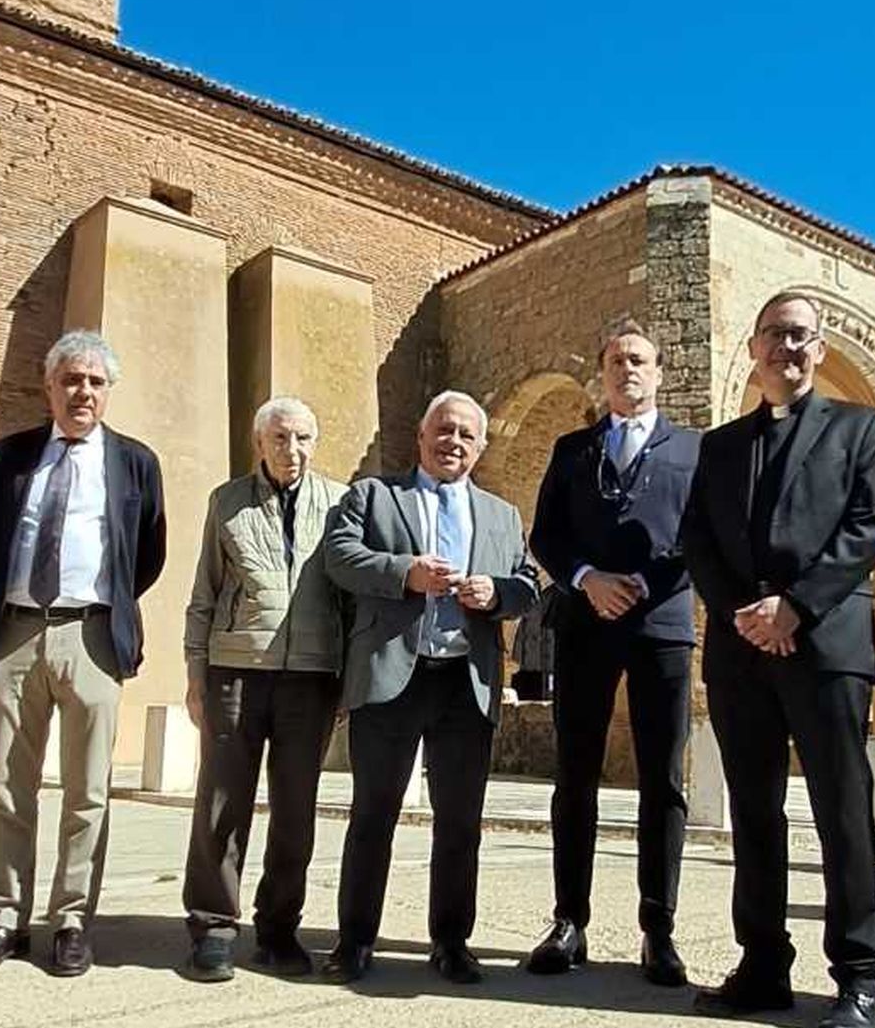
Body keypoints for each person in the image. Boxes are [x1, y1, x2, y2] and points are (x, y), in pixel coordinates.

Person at [680, 292, 875, 1028]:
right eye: (774, 335)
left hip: (827, 643)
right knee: (755, 812)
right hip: (743, 650)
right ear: (753, 349)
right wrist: (746, 611)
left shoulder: (861, 429)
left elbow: (869, 525)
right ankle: (763, 963)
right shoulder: (721, 444)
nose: (787, 349)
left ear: (820, 346)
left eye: (800, 336)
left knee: (843, 810)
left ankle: (860, 978)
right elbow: (697, 536)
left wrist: (794, 607)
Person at [0, 330, 165, 980]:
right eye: (71, 379)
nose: (83, 392)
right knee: (9, 787)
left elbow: (146, 554)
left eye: (96, 382)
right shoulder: (11, 457)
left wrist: (107, 607)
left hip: (92, 635)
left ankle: (71, 919)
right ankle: (3, 917)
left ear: (108, 392)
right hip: (15, 632)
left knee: (88, 789)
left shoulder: (134, 463)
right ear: (49, 387)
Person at [322, 391, 537, 983]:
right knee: (373, 814)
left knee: (461, 821)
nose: (454, 442)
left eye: (467, 435)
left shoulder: (500, 515)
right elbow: (338, 557)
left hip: (466, 683)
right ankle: (354, 940)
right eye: (444, 430)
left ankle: (450, 942)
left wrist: (497, 594)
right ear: (421, 437)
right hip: (393, 676)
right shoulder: (374, 495)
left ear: (481, 447)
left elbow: (526, 582)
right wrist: (403, 573)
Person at [527, 322, 701, 984]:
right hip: (586, 623)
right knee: (575, 773)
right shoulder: (572, 449)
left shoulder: (693, 450)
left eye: (639, 360)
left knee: (663, 780)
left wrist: (642, 586)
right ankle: (569, 921)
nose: (627, 369)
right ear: (602, 374)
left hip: (661, 625)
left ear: (658, 372)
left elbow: (698, 536)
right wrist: (586, 581)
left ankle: (659, 930)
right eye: (615, 361)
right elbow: (547, 534)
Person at [182, 396, 345, 980]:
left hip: (311, 677)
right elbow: (203, 597)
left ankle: (278, 929)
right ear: (260, 443)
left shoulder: (341, 504)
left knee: (296, 809)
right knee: (222, 802)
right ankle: (212, 927)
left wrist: (346, 681)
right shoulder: (226, 503)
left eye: (302, 438)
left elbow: (350, 602)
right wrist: (196, 677)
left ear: (314, 443)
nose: (291, 450)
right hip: (236, 670)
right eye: (279, 438)